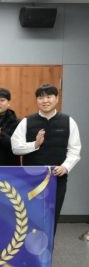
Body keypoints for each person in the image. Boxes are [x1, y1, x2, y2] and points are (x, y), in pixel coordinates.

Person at [11, 84, 81, 231]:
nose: (45, 101)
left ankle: (49, 245)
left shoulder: (68, 121)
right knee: (29, 216)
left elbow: (75, 149)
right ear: (36, 100)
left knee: (52, 215)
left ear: (56, 99)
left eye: (49, 97)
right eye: (41, 97)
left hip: (57, 177)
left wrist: (66, 167)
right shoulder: (26, 121)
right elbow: (15, 148)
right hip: (31, 177)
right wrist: (35, 144)